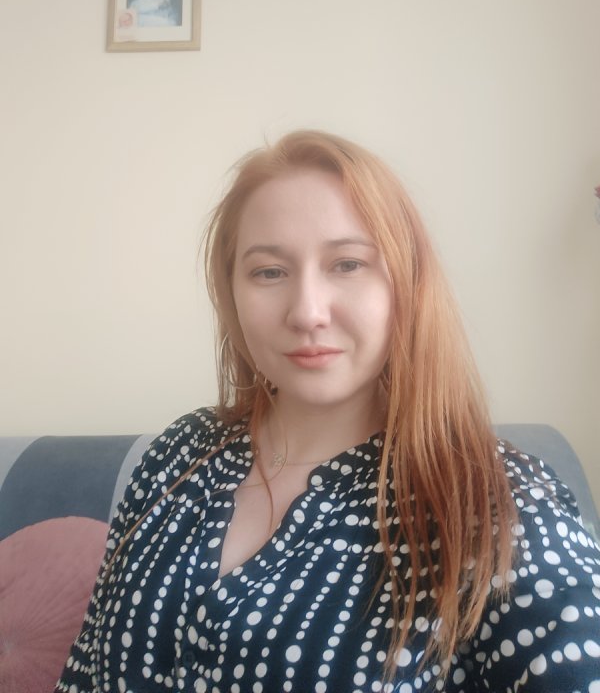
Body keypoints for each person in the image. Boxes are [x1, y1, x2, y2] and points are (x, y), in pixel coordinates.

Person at [55, 130, 600, 693]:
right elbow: (84, 669)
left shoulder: (495, 502)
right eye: (269, 271)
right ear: (231, 290)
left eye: (347, 264)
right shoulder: (177, 454)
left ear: (406, 284)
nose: (307, 312)